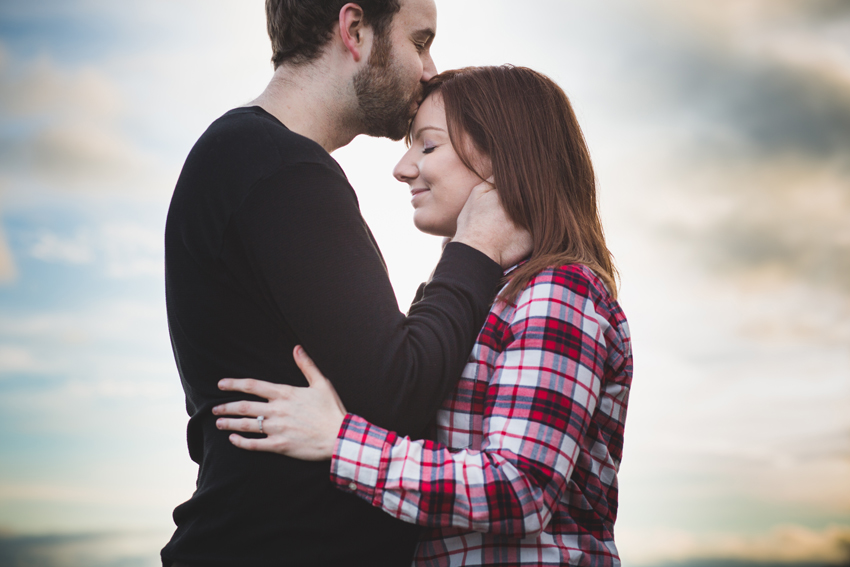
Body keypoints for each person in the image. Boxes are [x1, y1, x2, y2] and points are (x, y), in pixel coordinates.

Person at [213, 65, 634, 566]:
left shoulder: (558, 290)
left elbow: (521, 485)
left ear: (503, 157)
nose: (403, 168)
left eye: (428, 146)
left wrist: (339, 438)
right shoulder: (486, 294)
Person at [162, 1, 531, 565]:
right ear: (354, 29)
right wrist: (476, 247)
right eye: (420, 41)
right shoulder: (280, 168)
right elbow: (398, 393)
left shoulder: (250, 159)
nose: (430, 68)